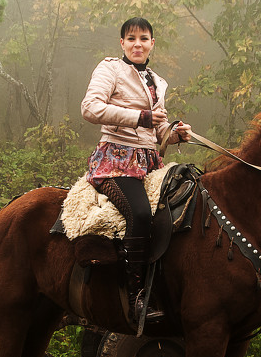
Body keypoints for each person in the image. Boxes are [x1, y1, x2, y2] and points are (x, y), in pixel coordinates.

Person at [81, 17, 192, 320]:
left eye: (144, 39)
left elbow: (156, 135)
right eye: (131, 39)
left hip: (149, 163)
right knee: (140, 213)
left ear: (152, 44)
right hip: (116, 161)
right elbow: (90, 108)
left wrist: (175, 134)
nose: (137, 44)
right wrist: (139, 117)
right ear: (122, 44)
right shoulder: (110, 69)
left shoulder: (156, 81)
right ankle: (136, 298)